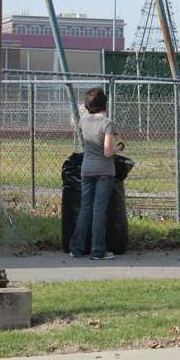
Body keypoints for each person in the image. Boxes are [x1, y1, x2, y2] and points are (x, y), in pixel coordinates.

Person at [69, 87, 124, 260]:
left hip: (87, 169)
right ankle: (98, 250)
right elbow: (108, 152)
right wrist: (119, 147)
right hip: (104, 171)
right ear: (104, 103)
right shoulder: (107, 123)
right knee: (99, 210)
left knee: (85, 208)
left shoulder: (83, 121)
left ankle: (76, 248)